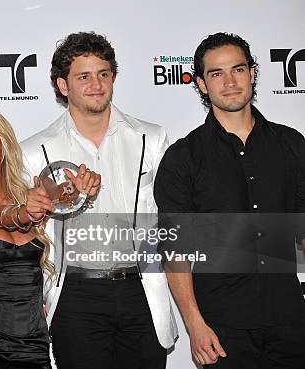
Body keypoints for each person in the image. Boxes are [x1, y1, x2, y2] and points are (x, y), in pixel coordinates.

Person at [20, 31, 178, 368]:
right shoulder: (35, 151)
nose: (96, 84)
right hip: (75, 295)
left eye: (103, 74)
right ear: (63, 85)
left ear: (114, 78)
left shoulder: (151, 138)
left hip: (142, 289)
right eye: (84, 76)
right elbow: (26, 231)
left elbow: (169, 217)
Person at [155, 32, 305, 368]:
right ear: (202, 84)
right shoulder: (183, 158)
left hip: (291, 321)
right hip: (221, 328)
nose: (230, 82)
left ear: (253, 73)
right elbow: (175, 250)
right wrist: (194, 324)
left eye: (238, 69)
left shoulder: (292, 145)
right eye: (216, 73)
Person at [0, 105, 100, 368]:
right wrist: (22, 213)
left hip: (34, 347)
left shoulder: (32, 197)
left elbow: (68, 192)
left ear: (3, 147)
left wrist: (85, 185)